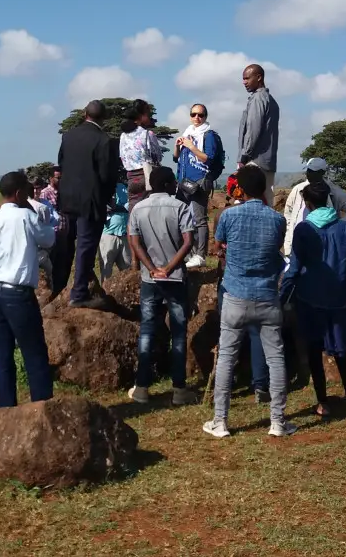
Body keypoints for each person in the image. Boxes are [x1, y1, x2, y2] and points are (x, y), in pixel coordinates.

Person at [206, 165, 293, 439]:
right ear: (264, 189)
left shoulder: (228, 215)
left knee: (226, 358)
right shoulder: (277, 220)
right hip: (267, 296)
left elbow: (217, 247)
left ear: (240, 189)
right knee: (276, 358)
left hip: (235, 295)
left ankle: (220, 421)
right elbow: (275, 250)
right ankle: (277, 422)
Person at [0, 171, 57, 408]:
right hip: (19, 293)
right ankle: (41, 407)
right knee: (34, 352)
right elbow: (49, 239)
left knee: (3, 353)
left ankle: (6, 408)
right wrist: (32, 210)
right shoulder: (26, 217)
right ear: (20, 193)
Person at [286, 181, 346, 418]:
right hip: (338, 298)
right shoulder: (344, 228)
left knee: (314, 352)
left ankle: (322, 403)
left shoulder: (304, 229)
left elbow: (295, 268)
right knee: (340, 351)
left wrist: (282, 294)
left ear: (308, 203)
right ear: (328, 200)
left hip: (309, 298)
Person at [127, 166, 197, 406]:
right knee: (178, 333)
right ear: (168, 184)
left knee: (147, 330)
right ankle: (179, 389)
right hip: (174, 278)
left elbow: (134, 242)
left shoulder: (138, 208)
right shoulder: (180, 207)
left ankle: (141, 388)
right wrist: (168, 268)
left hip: (150, 279)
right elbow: (188, 242)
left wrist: (152, 268)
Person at [57, 100, 120, 308]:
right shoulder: (104, 140)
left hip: (67, 198)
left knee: (67, 246)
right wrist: (106, 197)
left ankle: (61, 287)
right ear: (104, 118)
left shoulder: (68, 136)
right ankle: (79, 293)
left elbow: (62, 163)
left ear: (85, 114)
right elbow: (107, 175)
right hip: (90, 200)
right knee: (86, 246)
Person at [174, 102, 222, 270]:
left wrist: (192, 146)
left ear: (205, 117)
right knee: (184, 218)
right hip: (184, 182)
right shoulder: (188, 132)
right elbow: (176, 158)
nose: (197, 118)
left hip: (200, 181)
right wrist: (178, 146)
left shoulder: (208, 135)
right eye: (193, 114)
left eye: (200, 115)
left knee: (199, 219)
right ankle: (189, 252)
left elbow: (208, 158)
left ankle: (200, 255)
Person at [282, 158, 346, 251]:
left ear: (322, 173)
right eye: (309, 170)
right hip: (297, 242)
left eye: (314, 171)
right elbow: (288, 213)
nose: (309, 174)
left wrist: (341, 225)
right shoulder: (298, 189)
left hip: (324, 245)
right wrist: (289, 237)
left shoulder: (335, 192)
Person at [237, 64, 280, 203]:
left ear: (259, 77)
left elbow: (253, 130)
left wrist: (244, 156)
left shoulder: (258, 99)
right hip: (267, 162)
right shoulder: (270, 100)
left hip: (255, 161)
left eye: (247, 78)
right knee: (266, 203)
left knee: (248, 204)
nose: (244, 82)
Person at [118, 99, 163, 207]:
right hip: (146, 176)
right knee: (148, 210)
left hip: (131, 178)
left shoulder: (123, 135)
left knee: (133, 209)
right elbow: (158, 157)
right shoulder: (147, 134)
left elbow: (122, 156)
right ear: (141, 116)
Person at [99, 177, 131, 281]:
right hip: (108, 234)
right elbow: (107, 207)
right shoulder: (101, 187)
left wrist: (117, 207)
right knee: (106, 271)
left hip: (124, 234)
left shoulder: (123, 187)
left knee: (128, 270)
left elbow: (130, 205)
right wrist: (122, 207)